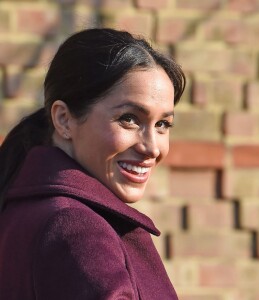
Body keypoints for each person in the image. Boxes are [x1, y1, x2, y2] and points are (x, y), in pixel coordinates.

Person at [0, 28, 185, 299]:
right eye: (129, 119)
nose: (152, 148)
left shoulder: (23, 208)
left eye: (162, 124)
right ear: (64, 119)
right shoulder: (75, 228)